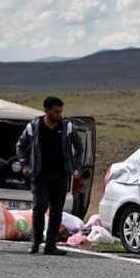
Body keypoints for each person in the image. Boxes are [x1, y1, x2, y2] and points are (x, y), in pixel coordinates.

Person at [16, 96, 83, 256]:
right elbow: (20, 145)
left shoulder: (66, 126)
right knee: (39, 208)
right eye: (55, 111)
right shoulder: (34, 127)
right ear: (46, 111)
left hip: (60, 175)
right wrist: (25, 164)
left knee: (56, 211)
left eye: (60, 111)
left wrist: (76, 165)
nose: (59, 114)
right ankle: (36, 241)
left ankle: (51, 245)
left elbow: (78, 145)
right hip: (40, 175)